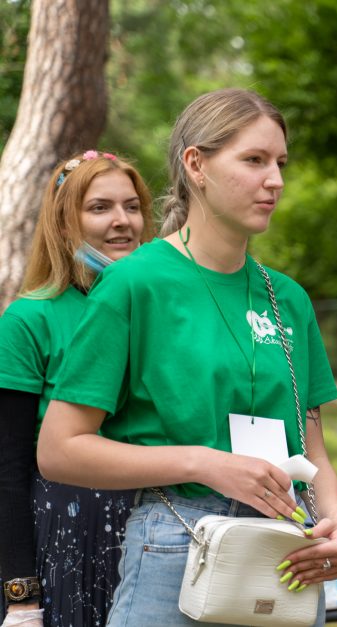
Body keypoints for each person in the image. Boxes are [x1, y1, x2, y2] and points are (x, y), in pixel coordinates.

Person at [36, 88, 337, 626]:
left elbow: (314, 449)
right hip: (177, 542)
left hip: (287, 550)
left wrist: (336, 520)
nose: (274, 180)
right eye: (253, 160)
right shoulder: (135, 285)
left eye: (279, 163)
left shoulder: (289, 298)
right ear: (195, 165)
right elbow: (59, 450)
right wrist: (204, 463)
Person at [0, 151, 154, 627]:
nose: (122, 221)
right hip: (65, 536)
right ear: (65, 225)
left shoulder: (159, 315)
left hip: (156, 529)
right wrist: (20, 595)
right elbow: (8, 469)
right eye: (100, 207)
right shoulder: (28, 320)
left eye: (132, 206)